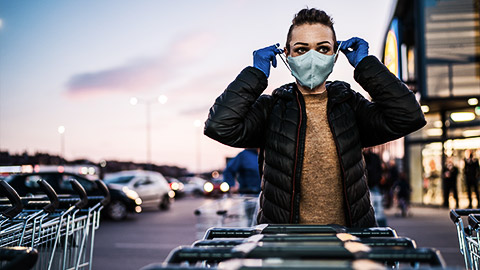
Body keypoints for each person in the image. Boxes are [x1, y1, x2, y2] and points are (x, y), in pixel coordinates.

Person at [204, 8, 426, 227]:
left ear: (335, 54)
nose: (312, 57)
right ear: (287, 55)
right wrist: (256, 74)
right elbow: (219, 125)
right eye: (301, 50)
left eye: (323, 48)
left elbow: (408, 116)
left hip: (349, 242)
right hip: (283, 244)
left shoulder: (350, 105)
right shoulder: (272, 108)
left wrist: (365, 64)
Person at [223, 148, 261, 226]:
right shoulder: (244, 155)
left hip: (265, 196)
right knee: (251, 221)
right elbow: (229, 170)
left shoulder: (266, 155)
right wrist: (232, 185)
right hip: (250, 196)